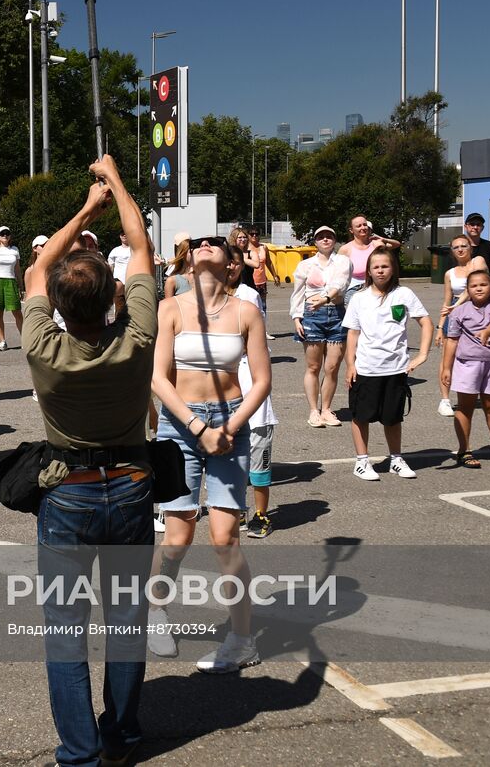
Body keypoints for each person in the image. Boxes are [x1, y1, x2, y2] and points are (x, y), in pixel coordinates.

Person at [23, 156, 157, 767]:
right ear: (113, 298)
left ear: (57, 305)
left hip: (68, 490)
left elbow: (36, 268)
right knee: (127, 622)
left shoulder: (43, 347)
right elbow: (141, 247)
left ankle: (79, 753)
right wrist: (117, 185)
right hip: (130, 486)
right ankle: (121, 736)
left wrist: (83, 210)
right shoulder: (138, 338)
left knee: (65, 634)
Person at [151, 228, 271, 672]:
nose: (205, 244)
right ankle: (156, 610)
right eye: (199, 242)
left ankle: (242, 640)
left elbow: (261, 381)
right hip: (179, 425)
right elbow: (158, 377)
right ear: (188, 258)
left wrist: (228, 428)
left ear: (231, 262)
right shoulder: (170, 308)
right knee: (177, 534)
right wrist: (198, 425)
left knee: (225, 538)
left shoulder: (246, 311)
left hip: (231, 425)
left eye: (215, 243)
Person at [344, 246, 433, 480]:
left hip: (396, 368)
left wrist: (422, 354)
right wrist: (350, 365)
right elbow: (352, 334)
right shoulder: (359, 298)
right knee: (361, 416)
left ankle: (396, 459)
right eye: (376, 267)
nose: (381, 271)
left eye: (385, 266)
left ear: (393, 269)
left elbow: (426, 322)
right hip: (366, 368)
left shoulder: (404, 294)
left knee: (393, 418)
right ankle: (362, 462)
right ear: (369, 272)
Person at [229, 247, 279, 540]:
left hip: (252, 392)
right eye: (227, 262)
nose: (230, 267)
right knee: (228, 461)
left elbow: (254, 341)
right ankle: (233, 509)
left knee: (258, 461)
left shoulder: (248, 295)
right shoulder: (204, 298)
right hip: (223, 396)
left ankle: (261, 513)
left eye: (235, 262)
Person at [441, 269, 490, 468]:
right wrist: (447, 368)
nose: (479, 288)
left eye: (483, 284)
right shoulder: (459, 311)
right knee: (465, 407)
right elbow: (452, 341)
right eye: (474, 286)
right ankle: (464, 450)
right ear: (467, 290)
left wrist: (487, 331)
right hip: (467, 364)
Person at [289, 225, 353, 428]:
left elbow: (340, 284)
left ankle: (326, 409)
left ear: (334, 240)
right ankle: (313, 411)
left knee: (332, 367)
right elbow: (298, 293)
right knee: (313, 366)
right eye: (321, 237)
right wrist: (297, 317)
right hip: (312, 315)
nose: (325, 240)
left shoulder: (343, 261)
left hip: (337, 314)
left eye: (329, 236)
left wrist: (325, 299)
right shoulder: (306, 265)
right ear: (315, 241)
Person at [435, 235, 488, 418]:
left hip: (479, 315)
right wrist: (440, 327)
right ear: (452, 251)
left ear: (470, 248)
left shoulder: (478, 262)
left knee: (482, 357)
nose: (460, 250)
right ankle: (445, 400)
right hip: (456, 317)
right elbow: (447, 301)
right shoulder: (449, 273)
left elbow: (472, 288)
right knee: (447, 358)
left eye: (464, 246)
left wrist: (457, 305)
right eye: (456, 247)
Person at [338, 215, 401, 305]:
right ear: (351, 230)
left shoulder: (376, 244)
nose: (363, 227)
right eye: (359, 226)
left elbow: (396, 244)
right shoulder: (345, 249)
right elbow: (337, 272)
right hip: (355, 289)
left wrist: (383, 239)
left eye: (365, 224)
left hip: (378, 286)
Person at [0, 225, 23, 352]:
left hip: (10, 281)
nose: (5, 236)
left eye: (7, 233)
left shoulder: (15, 250)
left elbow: (17, 269)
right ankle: (2, 341)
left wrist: (21, 285)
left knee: (17, 312)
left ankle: (25, 339)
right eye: (2, 234)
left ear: (10, 235)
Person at [461, 213, 490, 300]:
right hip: (462, 291)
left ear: (482, 228)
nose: (475, 227)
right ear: (466, 226)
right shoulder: (460, 246)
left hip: (484, 291)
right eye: (472, 224)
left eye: (478, 225)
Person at [244, 226, 281, 317]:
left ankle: (263, 328)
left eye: (257, 234)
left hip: (261, 281)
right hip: (248, 281)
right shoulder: (245, 248)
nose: (254, 236)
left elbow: (268, 262)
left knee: (262, 306)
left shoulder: (263, 247)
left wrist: (275, 276)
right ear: (248, 235)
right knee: (249, 306)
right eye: (252, 234)